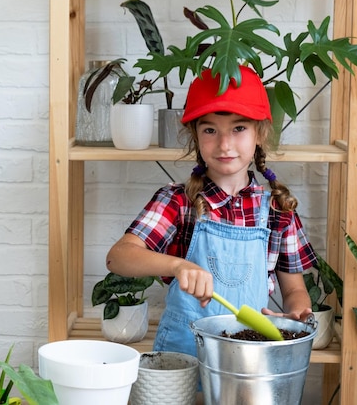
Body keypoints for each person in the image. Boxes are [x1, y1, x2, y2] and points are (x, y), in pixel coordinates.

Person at [105, 67, 317, 357]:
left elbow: (294, 291)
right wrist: (177, 266)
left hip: (248, 359)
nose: (224, 144)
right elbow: (119, 257)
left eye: (239, 128)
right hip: (182, 356)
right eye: (210, 130)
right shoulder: (178, 202)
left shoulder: (278, 210)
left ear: (261, 133)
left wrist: (295, 317)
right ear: (195, 135)